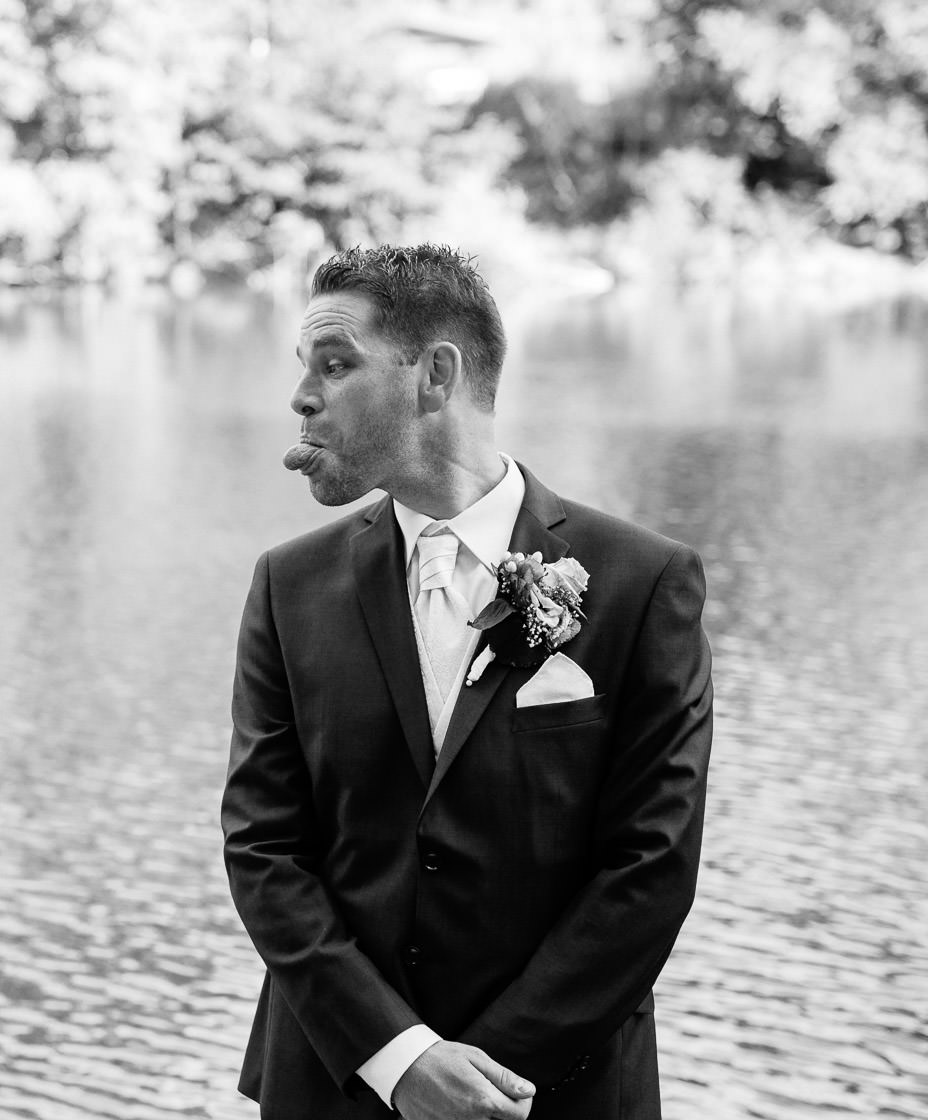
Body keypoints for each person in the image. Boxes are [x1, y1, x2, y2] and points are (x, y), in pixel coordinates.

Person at [221, 245, 712, 1120]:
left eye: (335, 365)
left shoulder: (642, 581)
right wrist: (402, 1061)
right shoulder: (286, 586)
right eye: (305, 368)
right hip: (339, 1082)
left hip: (556, 1092)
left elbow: (651, 865)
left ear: (436, 376)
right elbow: (264, 848)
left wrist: (488, 1080)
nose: (300, 397)